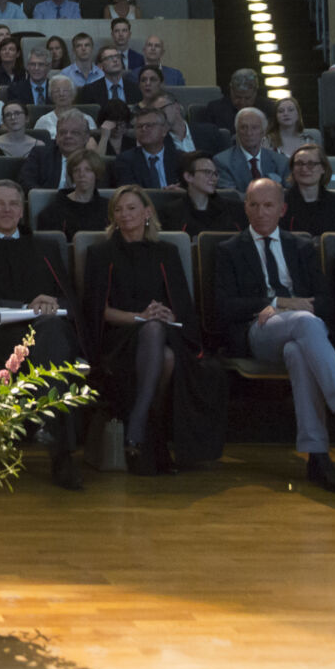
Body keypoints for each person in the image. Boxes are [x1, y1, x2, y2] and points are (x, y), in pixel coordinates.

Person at [214, 179, 335, 494]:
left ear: (282, 209)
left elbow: (326, 302)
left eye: (268, 205)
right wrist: (277, 303)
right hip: (259, 332)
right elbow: (224, 307)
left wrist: (296, 308)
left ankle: (318, 457)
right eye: (253, 204)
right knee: (306, 322)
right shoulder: (228, 250)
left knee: (300, 347)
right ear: (245, 207)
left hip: (303, 332)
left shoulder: (302, 247)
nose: (260, 212)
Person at [81, 185, 226, 475]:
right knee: (159, 344)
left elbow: (182, 307)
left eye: (132, 208)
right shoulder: (100, 253)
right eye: (118, 210)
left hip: (160, 332)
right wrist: (140, 317)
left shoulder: (167, 253)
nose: (125, 214)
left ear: (148, 212)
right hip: (118, 336)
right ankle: (148, 434)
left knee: (162, 341)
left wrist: (165, 313)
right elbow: (98, 311)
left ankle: (138, 427)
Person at [0, 179, 85, 488]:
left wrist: (52, 303)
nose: (7, 210)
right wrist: (26, 307)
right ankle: (61, 451)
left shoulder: (45, 247)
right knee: (53, 343)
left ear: (22, 211)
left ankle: (53, 434)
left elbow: (70, 302)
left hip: (47, 333)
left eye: (13, 204)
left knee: (53, 331)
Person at [213, 107, 287, 195]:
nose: (249, 133)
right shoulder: (222, 161)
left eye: (254, 128)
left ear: (263, 132)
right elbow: (231, 197)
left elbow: (287, 194)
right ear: (237, 131)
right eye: (243, 127)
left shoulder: (281, 161)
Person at [282, 144, 335, 236]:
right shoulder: (280, 201)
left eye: (311, 164)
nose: (304, 168)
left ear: (323, 168)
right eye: (299, 163)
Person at [110, 106, 180, 189]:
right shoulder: (125, 160)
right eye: (139, 126)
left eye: (149, 125)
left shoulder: (180, 158)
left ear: (164, 130)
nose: (143, 129)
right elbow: (130, 193)